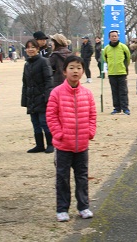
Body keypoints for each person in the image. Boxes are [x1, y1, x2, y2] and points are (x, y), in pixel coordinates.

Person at [46, 55, 97, 222]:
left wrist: (90, 131)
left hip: (82, 145)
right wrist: (59, 134)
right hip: (63, 146)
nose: (75, 71)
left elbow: (92, 114)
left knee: (82, 177)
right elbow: (51, 116)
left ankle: (83, 206)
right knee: (63, 178)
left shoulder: (87, 94)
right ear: (64, 71)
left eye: (79, 68)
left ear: (83, 71)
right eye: (72, 68)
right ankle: (62, 209)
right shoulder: (56, 93)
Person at [21, 39, 55, 153]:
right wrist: (24, 99)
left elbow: (49, 80)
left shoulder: (44, 61)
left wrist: (47, 96)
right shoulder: (27, 64)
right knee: (35, 123)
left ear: (37, 49)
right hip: (31, 97)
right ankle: (39, 145)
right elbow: (25, 83)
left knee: (44, 122)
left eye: (33, 47)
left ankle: (51, 144)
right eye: (28, 47)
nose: (30, 49)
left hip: (42, 96)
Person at [103, 30, 131, 115]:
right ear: (109, 38)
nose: (114, 37)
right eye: (112, 36)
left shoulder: (123, 47)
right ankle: (116, 108)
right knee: (114, 91)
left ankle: (125, 108)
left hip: (122, 72)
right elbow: (105, 59)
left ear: (118, 37)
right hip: (111, 73)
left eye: (115, 36)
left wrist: (124, 67)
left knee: (123, 91)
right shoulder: (106, 48)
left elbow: (128, 58)